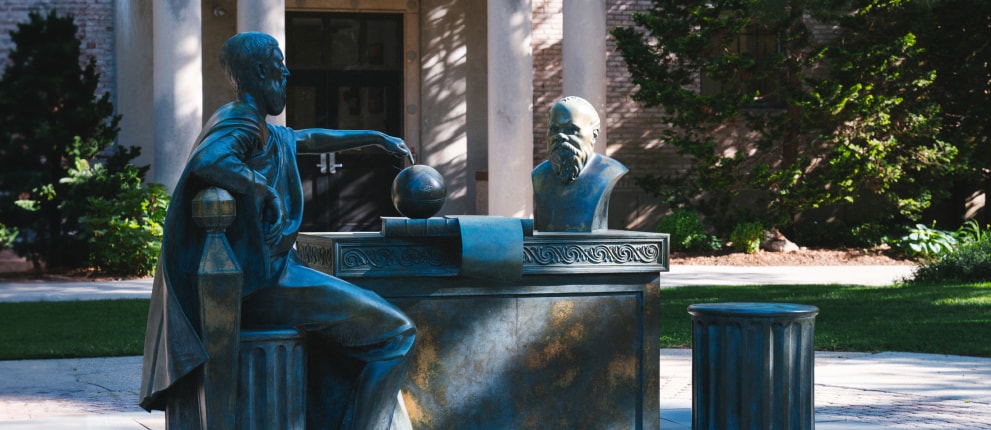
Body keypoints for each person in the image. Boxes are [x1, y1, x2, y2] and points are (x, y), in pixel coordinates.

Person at [140, 32, 415, 430]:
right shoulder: (241, 123)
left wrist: (375, 138)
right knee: (397, 333)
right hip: (260, 285)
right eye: (279, 62)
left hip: (268, 275)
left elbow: (307, 139)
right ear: (259, 71)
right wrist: (261, 187)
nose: (287, 71)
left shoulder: (256, 126)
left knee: (367, 314)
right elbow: (209, 159)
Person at [532, 96, 628, 232]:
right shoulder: (540, 175)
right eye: (554, 129)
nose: (560, 136)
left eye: (571, 130)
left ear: (594, 135)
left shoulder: (610, 171)